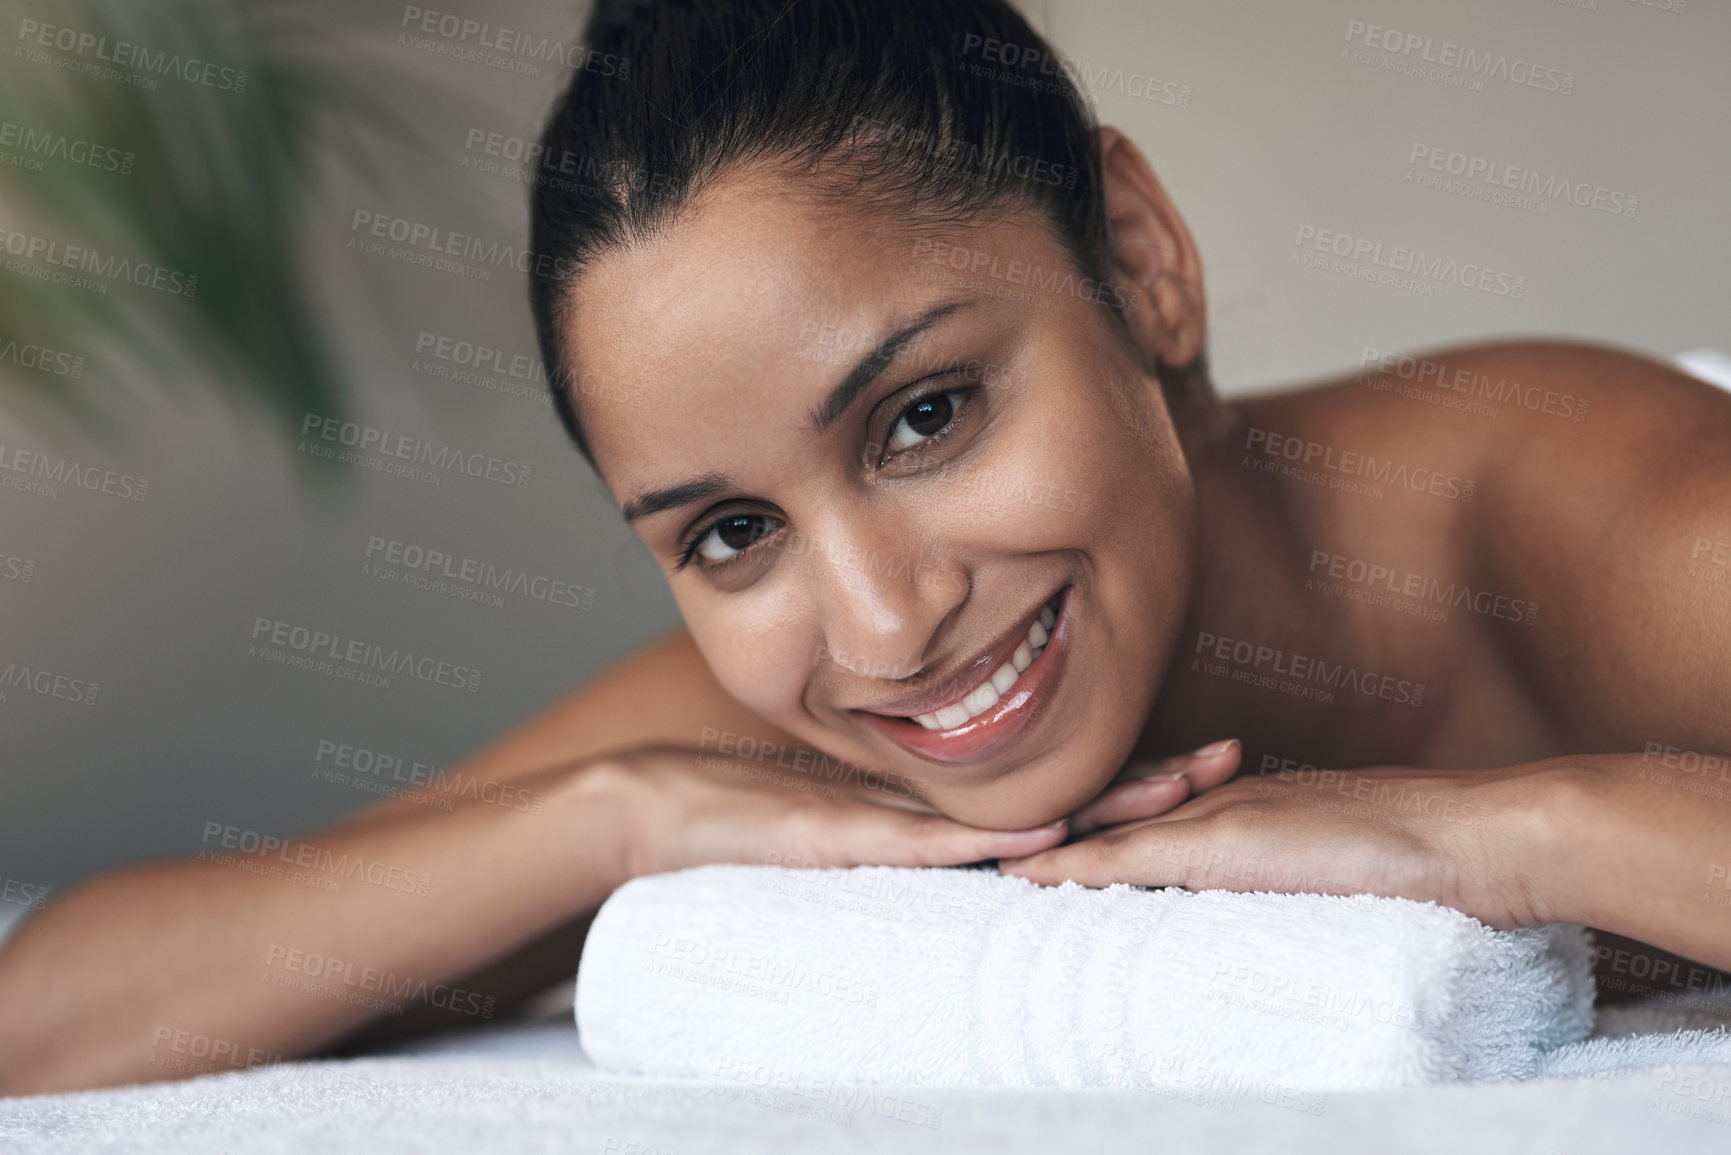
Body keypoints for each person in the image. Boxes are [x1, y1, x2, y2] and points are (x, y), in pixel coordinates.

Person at [3, 0, 1728, 1097]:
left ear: (1138, 261)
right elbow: (47, 1020)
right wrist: (622, 818)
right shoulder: (791, 708)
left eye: (924, 418)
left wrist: (1509, 831)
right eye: (733, 531)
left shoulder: (1588, 520)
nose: (889, 624)